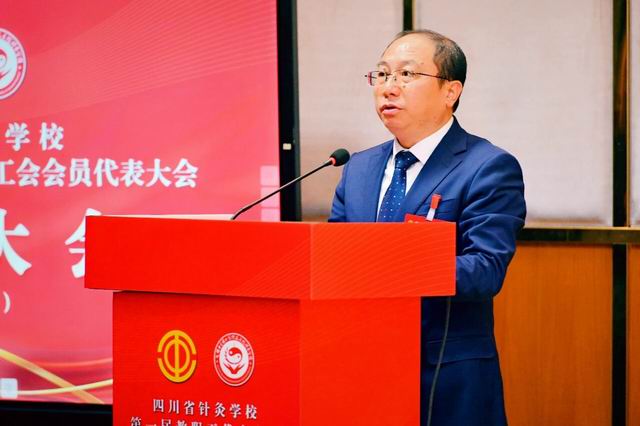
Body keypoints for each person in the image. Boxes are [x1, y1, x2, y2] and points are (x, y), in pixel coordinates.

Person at [329, 29, 526, 425]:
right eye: (382, 74)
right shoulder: (358, 168)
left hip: (444, 377)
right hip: (361, 368)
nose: (389, 88)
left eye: (407, 74)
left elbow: (485, 269)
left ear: (451, 91)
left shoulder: (487, 166)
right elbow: (332, 257)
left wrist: (390, 266)